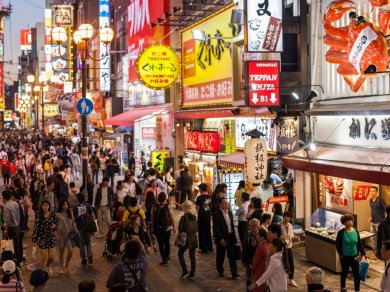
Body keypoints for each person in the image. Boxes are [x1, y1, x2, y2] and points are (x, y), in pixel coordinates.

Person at [336, 213, 366, 292]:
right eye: (348, 221)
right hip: (345, 256)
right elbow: (338, 245)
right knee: (344, 272)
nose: (350, 222)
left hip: (355, 256)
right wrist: (341, 254)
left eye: (351, 220)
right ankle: (343, 287)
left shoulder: (355, 231)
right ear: (344, 223)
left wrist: (363, 253)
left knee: (356, 274)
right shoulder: (341, 233)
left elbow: (359, 243)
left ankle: (357, 289)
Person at [213, 197, 239, 279]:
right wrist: (221, 238)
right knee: (221, 255)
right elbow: (216, 227)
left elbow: (231, 225)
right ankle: (220, 270)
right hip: (222, 238)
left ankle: (234, 273)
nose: (226, 204)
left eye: (226, 202)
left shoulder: (230, 213)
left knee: (232, 255)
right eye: (224, 202)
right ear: (220, 204)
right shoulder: (216, 214)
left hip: (230, 236)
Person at [32, 200, 58, 273]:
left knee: (52, 257)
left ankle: (48, 265)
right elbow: (36, 229)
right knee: (43, 257)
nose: (45, 207)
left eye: (47, 205)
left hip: (51, 237)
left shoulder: (52, 215)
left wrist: (54, 227)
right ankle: (43, 273)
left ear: (49, 206)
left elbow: (56, 225)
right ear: (41, 206)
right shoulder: (39, 216)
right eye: (44, 205)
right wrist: (34, 241)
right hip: (41, 238)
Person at [152, 192, 175, 265]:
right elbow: (171, 217)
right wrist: (173, 227)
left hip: (158, 229)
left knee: (161, 244)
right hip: (167, 228)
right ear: (165, 198)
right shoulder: (168, 206)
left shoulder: (154, 207)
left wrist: (153, 227)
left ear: (158, 198)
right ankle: (167, 258)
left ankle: (164, 259)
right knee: (167, 243)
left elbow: (152, 218)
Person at [178, 200, 198, 279]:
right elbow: (197, 228)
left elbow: (180, 229)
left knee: (180, 254)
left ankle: (184, 270)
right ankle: (192, 273)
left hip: (185, 237)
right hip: (194, 237)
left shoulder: (183, 218)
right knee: (192, 256)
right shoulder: (194, 217)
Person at [73, 193, 95, 265]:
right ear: (84, 198)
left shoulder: (75, 207)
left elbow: (74, 218)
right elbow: (92, 215)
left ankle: (83, 259)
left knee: (81, 244)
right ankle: (90, 256)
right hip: (88, 227)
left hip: (80, 227)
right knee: (88, 242)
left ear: (77, 199)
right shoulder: (88, 205)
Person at [2, 190, 21, 266]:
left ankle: (11, 265)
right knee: (16, 247)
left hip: (11, 229)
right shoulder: (15, 203)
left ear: (3, 197)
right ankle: (18, 264)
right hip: (17, 227)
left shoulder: (6, 206)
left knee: (9, 248)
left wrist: (5, 232)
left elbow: (7, 221)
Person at [56, 199, 75, 274]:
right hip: (60, 235)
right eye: (64, 204)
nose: (65, 206)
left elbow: (73, 223)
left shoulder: (70, 212)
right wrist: (56, 234)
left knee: (70, 251)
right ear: (61, 205)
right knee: (61, 252)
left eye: (66, 204)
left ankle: (66, 265)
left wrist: (74, 230)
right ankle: (61, 267)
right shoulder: (58, 214)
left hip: (69, 235)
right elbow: (55, 226)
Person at [241, 218, 261, 290]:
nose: (252, 228)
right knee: (249, 279)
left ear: (258, 226)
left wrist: (256, 245)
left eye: (254, 226)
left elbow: (263, 249)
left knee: (257, 279)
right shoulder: (247, 234)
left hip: (258, 262)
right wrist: (243, 259)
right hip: (249, 261)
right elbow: (244, 247)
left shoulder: (261, 236)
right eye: (250, 226)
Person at [281, 211, 298, 287]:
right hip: (282, 247)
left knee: (291, 264)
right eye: (285, 216)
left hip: (289, 246)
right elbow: (278, 236)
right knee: (283, 264)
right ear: (283, 217)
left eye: (288, 217)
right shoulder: (280, 225)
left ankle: (291, 279)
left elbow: (291, 235)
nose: (287, 218)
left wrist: (295, 237)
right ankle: (282, 279)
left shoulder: (290, 225)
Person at [195, 183, 213, 253]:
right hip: (208, 216)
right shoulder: (209, 197)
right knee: (208, 231)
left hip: (202, 216)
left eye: (199, 189)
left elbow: (197, 207)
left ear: (201, 189)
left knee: (202, 232)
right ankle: (210, 246)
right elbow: (209, 206)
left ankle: (203, 248)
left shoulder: (199, 197)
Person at [369, 186, 387, 254]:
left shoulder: (380, 200)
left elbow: (387, 209)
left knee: (381, 238)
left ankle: (382, 253)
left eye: (373, 191)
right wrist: (370, 217)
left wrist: (385, 220)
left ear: (376, 192)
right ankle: (375, 252)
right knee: (373, 238)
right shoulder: (370, 200)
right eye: (371, 191)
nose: (372, 192)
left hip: (379, 223)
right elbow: (373, 210)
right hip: (372, 222)